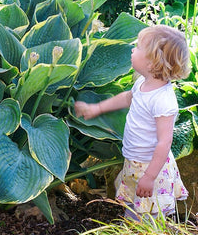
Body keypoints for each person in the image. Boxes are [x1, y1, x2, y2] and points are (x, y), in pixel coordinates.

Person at [74, 25, 190, 219]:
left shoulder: (163, 101)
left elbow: (164, 142)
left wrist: (150, 177)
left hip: (150, 168)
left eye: (138, 47)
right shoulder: (143, 83)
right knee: (135, 207)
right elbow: (128, 98)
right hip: (135, 162)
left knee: (148, 214)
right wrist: (98, 108)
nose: (132, 49)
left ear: (153, 62)